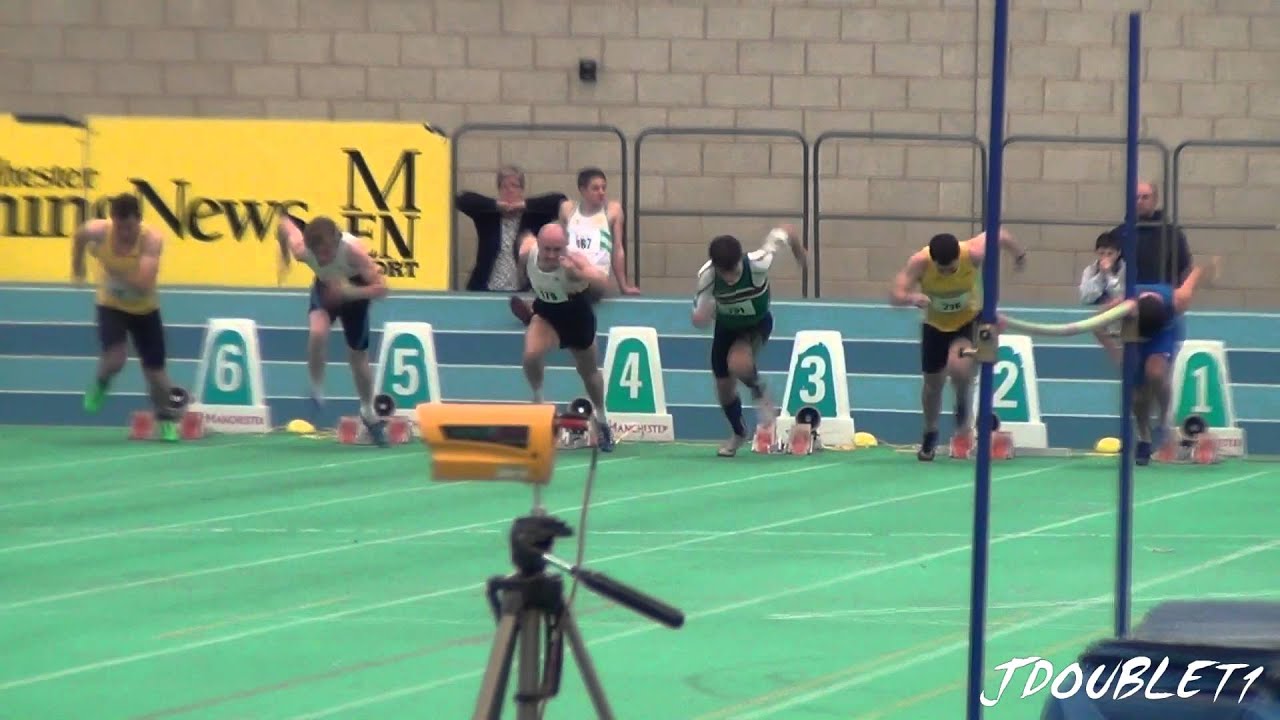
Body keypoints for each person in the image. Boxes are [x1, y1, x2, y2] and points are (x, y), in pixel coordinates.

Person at [890, 229, 1026, 461]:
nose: (946, 273)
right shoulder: (920, 262)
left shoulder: (972, 253)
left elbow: (1000, 235)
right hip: (935, 326)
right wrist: (912, 298)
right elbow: (896, 293)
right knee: (933, 385)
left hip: (967, 321)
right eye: (941, 271)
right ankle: (930, 430)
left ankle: (962, 411)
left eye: (951, 269)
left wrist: (1019, 255)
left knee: (959, 367)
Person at [72, 194, 184, 441]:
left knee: (156, 376)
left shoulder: (151, 240)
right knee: (116, 359)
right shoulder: (99, 231)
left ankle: (165, 418)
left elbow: (143, 284)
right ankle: (101, 383)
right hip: (112, 306)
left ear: (139, 221)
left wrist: (108, 266)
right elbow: (79, 237)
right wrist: (77, 266)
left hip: (145, 309)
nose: (124, 233)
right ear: (113, 221)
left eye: (130, 227)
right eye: (119, 227)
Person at [692, 225, 806, 457]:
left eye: (734, 270)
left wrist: (801, 255)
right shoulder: (707, 277)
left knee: (738, 362)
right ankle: (738, 432)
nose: (731, 278)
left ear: (740, 260)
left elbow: (786, 231)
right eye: (725, 273)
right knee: (724, 388)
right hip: (726, 328)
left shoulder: (759, 262)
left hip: (756, 323)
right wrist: (701, 316)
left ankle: (758, 392)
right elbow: (698, 317)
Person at [276, 215, 390, 447]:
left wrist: (348, 293)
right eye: (318, 254)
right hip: (325, 290)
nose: (324, 258)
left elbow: (382, 288)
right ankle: (316, 389)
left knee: (357, 358)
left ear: (337, 242)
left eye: (328, 252)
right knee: (317, 332)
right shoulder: (301, 250)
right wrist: (284, 255)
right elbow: (283, 222)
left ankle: (368, 411)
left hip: (356, 292)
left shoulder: (353, 252)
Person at [517, 222, 616, 452]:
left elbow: (603, 282)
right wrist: (523, 282)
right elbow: (524, 245)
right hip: (547, 313)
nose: (552, 255)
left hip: (576, 315)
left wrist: (579, 274)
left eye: (557, 249)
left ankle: (602, 420)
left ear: (566, 246)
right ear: (538, 245)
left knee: (588, 372)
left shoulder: (575, 261)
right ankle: (540, 406)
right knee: (531, 355)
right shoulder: (527, 252)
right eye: (547, 249)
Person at [509, 166, 639, 325]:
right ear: (582, 190)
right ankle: (529, 290)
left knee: (575, 274)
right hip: (566, 271)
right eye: (595, 188)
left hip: (593, 278)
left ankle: (537, 310)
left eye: (604, 188)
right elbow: (561, 241)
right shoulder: (568, 209)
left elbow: (618, 248)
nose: (601, 192)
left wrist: (623, 285)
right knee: (530, 244)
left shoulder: (612, 210)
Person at [1124, 265, 1206, 465]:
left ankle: (1163, 421)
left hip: (1164, 332)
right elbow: (1098, 326)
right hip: (1133, 330)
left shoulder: (1179, 300)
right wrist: (1114, 350)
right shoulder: (1123, 304)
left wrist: (1209, 265)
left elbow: (1196, 273)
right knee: (1137, 395)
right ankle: (1144, 436)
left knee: (1156, 372)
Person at [456, 165, 565, 293]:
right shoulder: (487, 215)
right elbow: (461, 199)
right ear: (499, 189)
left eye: (515, 185)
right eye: (504, 186)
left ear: (522, 189)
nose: (510, 190)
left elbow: (559, 200)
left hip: (523, 290)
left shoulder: (534, 216)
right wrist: (496, 205)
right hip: (487, 289)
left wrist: (523, 205)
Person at [1079, 231, 1126, 365]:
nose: (1105, 257)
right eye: (1101, 253)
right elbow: (1085, 297)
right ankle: (1116, 356)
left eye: (1110, 254)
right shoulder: (1090, 270)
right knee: (1095, 324)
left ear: (1118, 253)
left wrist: (1109, 275)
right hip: (1102, 318)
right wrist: (1101, 276)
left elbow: (1121, 296)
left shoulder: (1126, 270)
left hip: (1121, 317)